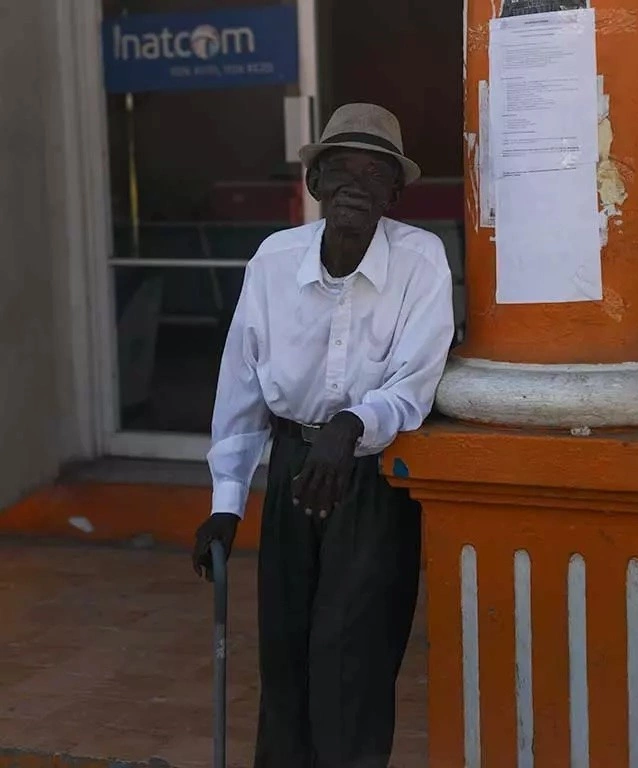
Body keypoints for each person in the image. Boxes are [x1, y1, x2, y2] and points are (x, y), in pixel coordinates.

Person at [193, 103, 455, 768]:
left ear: (395, 194)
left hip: (371, 481)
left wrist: (351, 424)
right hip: (291, 470)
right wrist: (227, 503)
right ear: (313, 182)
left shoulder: (420, 261)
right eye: (340, 169)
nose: (355, 186)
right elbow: (242, 386)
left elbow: (414, 383)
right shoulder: (273, 260)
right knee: (284, 659)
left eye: (375, 173)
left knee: (352, 666)